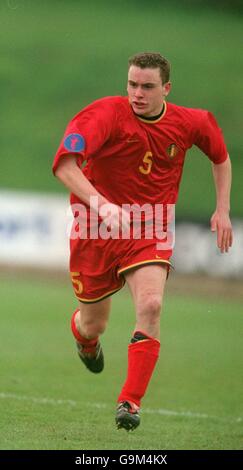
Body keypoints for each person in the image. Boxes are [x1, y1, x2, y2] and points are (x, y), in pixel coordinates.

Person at [52, 52, 233, 432]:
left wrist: (222, 208)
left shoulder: (191, 122)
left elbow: (220, 156)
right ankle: (84, 338)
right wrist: (101, 205)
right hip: (95, 229)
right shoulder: (104, 114)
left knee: (151, 304)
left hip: (150, 228)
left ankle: (130, 402)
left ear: (166, 88)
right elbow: (66, 165)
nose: (137, 93)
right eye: (132, 84)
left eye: (147, 86)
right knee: (93, 324)